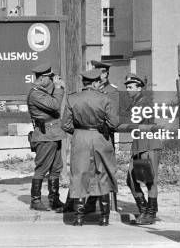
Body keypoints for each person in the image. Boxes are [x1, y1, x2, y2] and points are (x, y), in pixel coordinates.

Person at [61, 69, 120, 226]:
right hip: (100, 137)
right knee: (104, 173)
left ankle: (79, 217)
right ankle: (104, 217)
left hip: (80, 137)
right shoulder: (105, 99)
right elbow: (114, 123)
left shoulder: (72, 98)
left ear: (83, 83)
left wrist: (79, 131)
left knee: (79, 174)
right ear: (95, 82)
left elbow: (65, 124)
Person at [27, 63, 66, 212]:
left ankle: (54, 199)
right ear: (43, 78)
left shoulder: (42, 92)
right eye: (49, 78)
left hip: (54, 134)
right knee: (42, 168)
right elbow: (55, 105)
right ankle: (35, 200)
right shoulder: (36, 94)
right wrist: (58, 88)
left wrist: (57, 88)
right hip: (45, 135)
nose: (51, 80)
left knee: (56, 168)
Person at [124, 73, 161, 225]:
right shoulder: (134, 102)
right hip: (138, 145)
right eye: (126, 87)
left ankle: (150, 214)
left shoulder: (143, 102)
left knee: (150, 181)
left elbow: (133, 121)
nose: (127, 90)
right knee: (131, 179)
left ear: (139, 87)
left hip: (148, 145)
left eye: (131, 87)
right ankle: (144, 209)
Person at [84, 59, 119, 214]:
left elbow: (114, 116)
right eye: (98, 72)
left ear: (107, 74)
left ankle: (108, 205)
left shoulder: (112, 91)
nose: (101, 75)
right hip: (90, 135)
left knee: (104, 169)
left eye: (103, 72)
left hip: (104, 135)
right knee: (90, 168)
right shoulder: (90, 90)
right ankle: (91, 201)